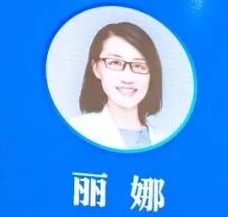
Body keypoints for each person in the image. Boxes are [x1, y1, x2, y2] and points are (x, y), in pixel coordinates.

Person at [69, 22, 168, 150]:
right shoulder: (74, 131)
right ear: (96, 68)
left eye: (139, 65)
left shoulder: (167, 140)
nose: (128, 78)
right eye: (115, 63)